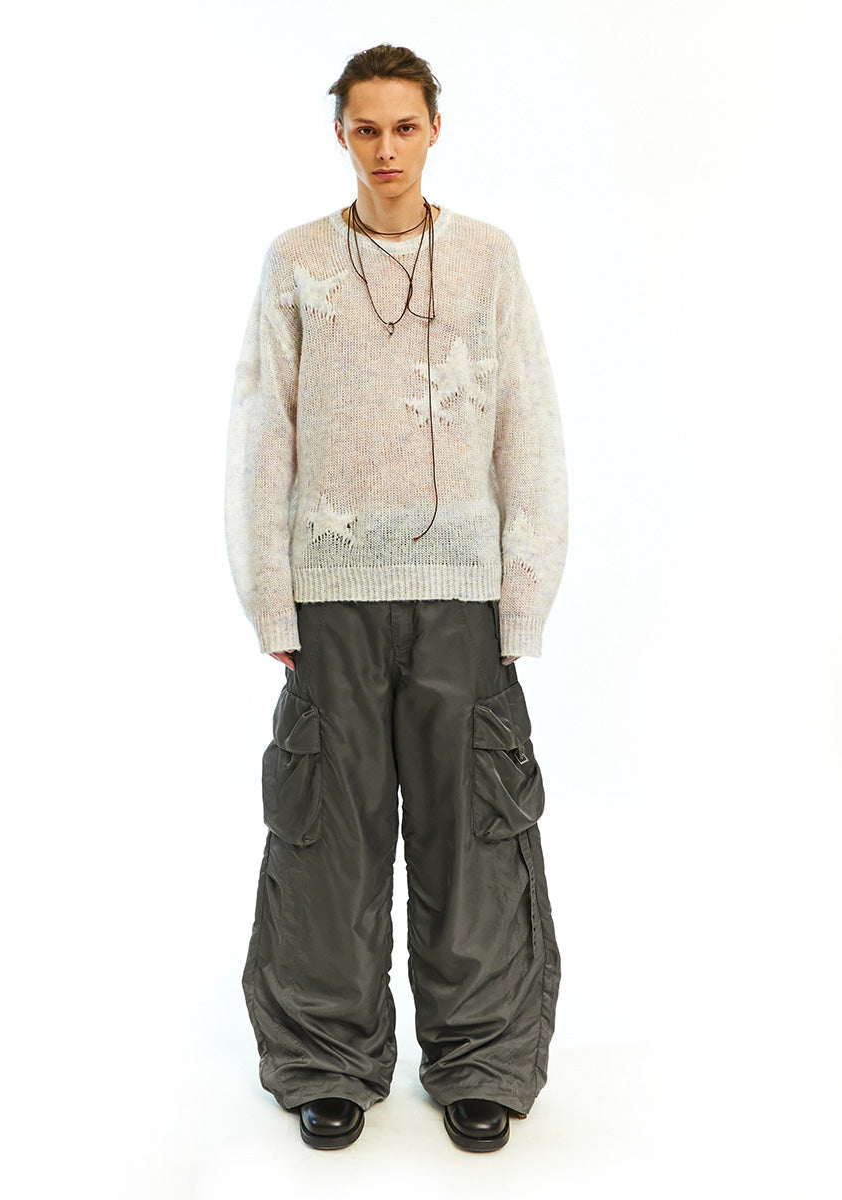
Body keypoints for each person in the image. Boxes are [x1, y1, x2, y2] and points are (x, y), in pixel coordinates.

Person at [224, 43, 568, 1152]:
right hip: (332, 598)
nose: (385, 149)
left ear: (433, 130)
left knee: (474, 832)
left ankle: (480, 1056)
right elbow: (261, 430)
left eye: (403, 127)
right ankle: (326, 1055)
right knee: (330, 833)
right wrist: (272, 599)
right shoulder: (295, 261)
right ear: (340, 134)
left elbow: (527, 426)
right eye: (365, 128)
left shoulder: (486, 259)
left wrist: (523, 598)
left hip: (462, 596)